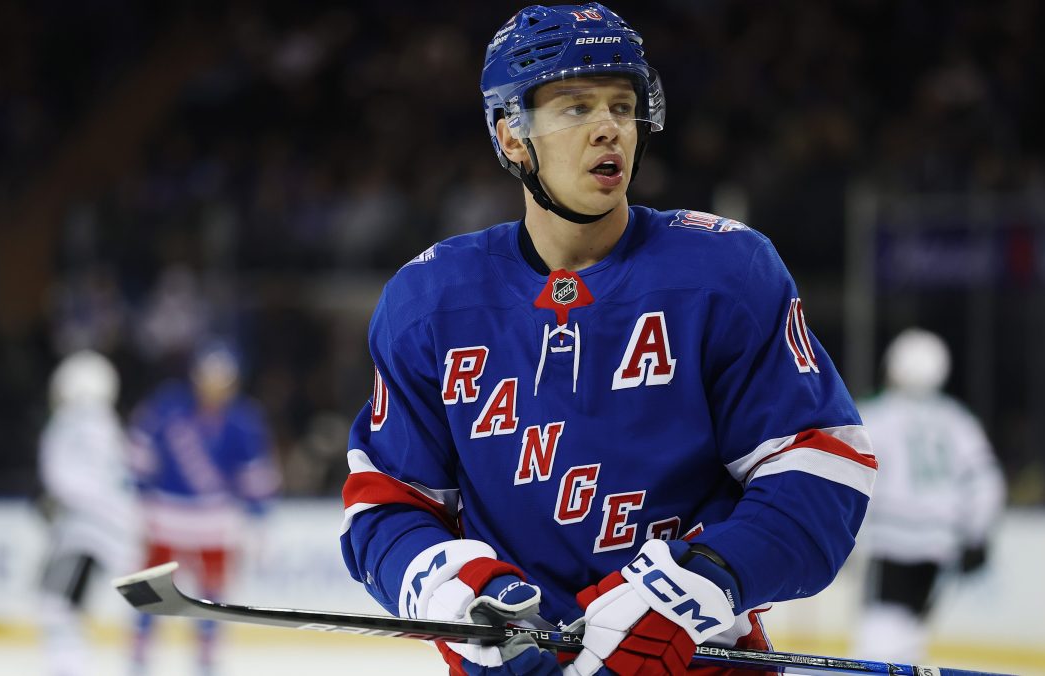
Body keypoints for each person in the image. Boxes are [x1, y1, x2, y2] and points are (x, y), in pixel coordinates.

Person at [339, 4, 877, 674]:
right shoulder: (430, 300)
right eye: (575, 107)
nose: (609, 129)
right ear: (512, 136)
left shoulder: (725, 272)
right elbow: (388, 502)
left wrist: (701, 581)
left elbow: (822, 469)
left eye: (623, 107)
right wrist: (451, 588)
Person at [850, 328, 1006, 663]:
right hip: (939, 544)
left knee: (879, 640)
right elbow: (986, 482)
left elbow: (848, 474)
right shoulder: (958, 420)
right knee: (909, 636)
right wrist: (976, 535)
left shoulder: (876, 416)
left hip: (890, 540)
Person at [126, 340, 280, 676]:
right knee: (151, 588)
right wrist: (137, 495)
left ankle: (206, 658)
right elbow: (139, 450)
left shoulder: (243, 420)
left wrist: (260, 518)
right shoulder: (168, 406)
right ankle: (139, 654)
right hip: (166, 514)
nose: (214, 386)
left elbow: (255, 475)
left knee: (211, 593)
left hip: (215, 520)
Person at [38, 350, 140, 676]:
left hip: (84, 531)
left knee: (57, 603)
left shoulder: (70, 422)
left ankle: (68, 666)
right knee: (69, 601)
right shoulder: (108, 424)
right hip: (113, 530)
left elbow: (59, 476)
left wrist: (56, 503)